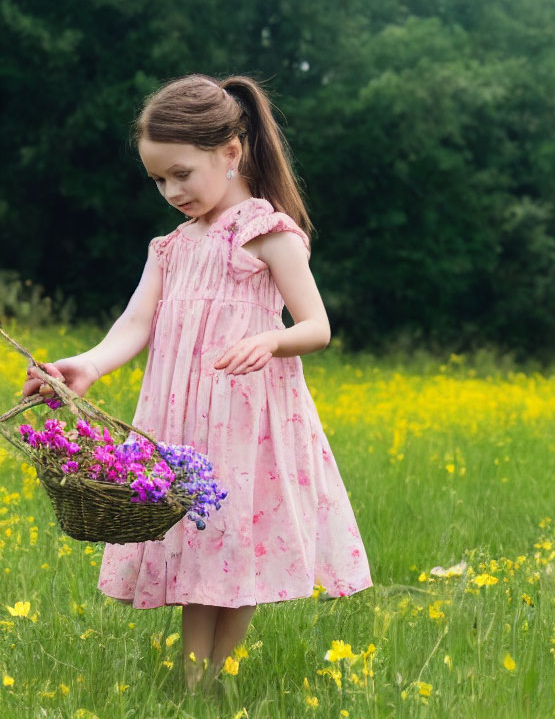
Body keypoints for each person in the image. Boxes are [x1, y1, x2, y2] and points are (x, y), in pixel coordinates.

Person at [22, 73, 373, 692]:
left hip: (247, 415)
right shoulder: (172, 248)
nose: (170, 191)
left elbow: (316, 326)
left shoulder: (266, 232)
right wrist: (88, 365)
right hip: (183, 417)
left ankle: (212, 681)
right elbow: (134, 324)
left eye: (181, 173)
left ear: (231, 152)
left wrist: (269, 339)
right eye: (158, 179)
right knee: (194, 539)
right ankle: (197, 685)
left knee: (234, 542)